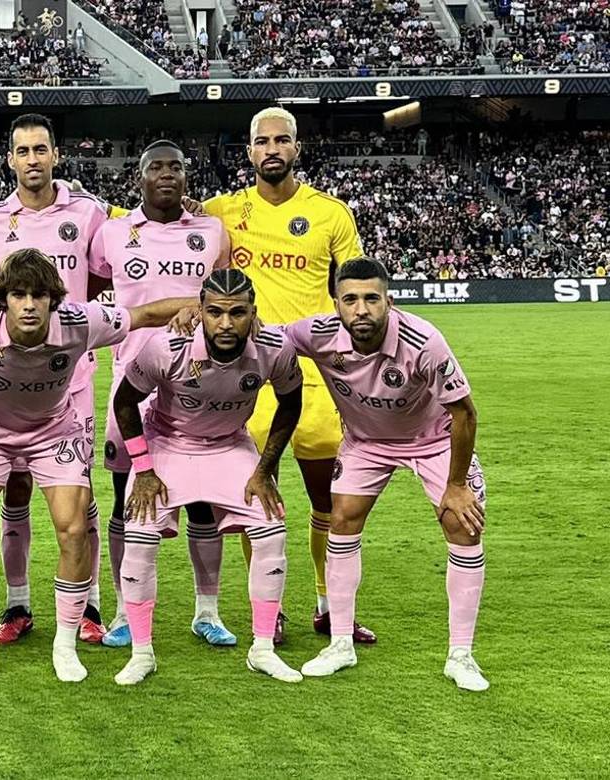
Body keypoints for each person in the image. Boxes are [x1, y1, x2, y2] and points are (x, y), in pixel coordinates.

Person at [0, 249, 198, 684]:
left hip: (54, 434)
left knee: (73, 528)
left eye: (38, 295)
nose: (29, 304)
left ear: (54, 299)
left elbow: (143, 313)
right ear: (3, 299)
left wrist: (200, 304)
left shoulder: (80, 322)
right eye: (18, 294)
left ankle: (66, 646)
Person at [197, 106, 373, 643]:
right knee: (256, 495)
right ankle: (267, 610)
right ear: (247, 151)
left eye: (282, 140)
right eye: (261, 141)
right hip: (249, 379)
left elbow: (354, 291)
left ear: (297, 148)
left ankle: (327, 603)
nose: (271, 149)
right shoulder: (219, 212)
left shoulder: (332, 214)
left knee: (328, 500)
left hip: (317, 379)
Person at [289, 258, 488, 691]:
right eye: (351, 300)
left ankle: (462, 655)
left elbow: (465, 413)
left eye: (371, 299)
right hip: (366, 443)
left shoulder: (424, 341)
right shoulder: (317, 335)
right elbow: (264, 337)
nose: (361, 309)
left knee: (464, 526)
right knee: (340, 518)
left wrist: (455, 486)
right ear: (336, 304)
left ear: (389, 302)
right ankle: (340, 643)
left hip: (435, 440)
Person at [113, 269, 303, 685]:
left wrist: (264, 469)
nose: (225, 323)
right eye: (215, 312)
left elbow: (291, 403)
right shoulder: (167, 346)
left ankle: (263, 649)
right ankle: (142, 652)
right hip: (168, 444)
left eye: (237, 313)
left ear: (254, 314)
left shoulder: (274, 348)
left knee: (271, 528)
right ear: (199, 311)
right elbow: (125, 402)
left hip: (230, 445)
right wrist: (143, 469)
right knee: (140, 534)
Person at [90, 140, 230, 647]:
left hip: (196, 383)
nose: (167, 174)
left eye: (176, 166)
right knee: (124, 499)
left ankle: (207, 610)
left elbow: (228, 295)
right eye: (156, 167)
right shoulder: (112, 232)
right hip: (131, 384)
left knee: (201, 502)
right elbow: (91, 287)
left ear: (187, 178)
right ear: (140, 177)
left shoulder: (212, 231)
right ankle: (127, 612)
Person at [0, 113, 110, 645]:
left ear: (56, 154)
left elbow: (104, 277)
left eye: (41, 149)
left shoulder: (90, 212)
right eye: (23, 150)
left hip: (70, 379)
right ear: (9, 159)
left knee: (78, 497)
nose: (32, 159)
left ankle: (90, 604)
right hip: (8, 383)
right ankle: (18, 604)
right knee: (14, 488)